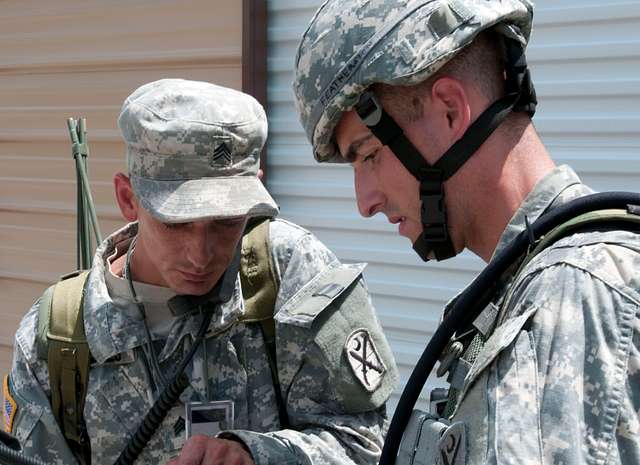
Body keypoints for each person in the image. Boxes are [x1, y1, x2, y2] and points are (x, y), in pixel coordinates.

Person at [292, 1, 640, 464]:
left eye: (368, 154)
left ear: (451, 111)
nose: (365, 202)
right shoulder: (527, 283)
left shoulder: (567, 296)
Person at [5, 79, 398, 465]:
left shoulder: (295, 277)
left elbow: (366, 445)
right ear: (128, 199)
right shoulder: (57, 336)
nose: (200, 255)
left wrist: (257, 456)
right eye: (176, 223)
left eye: (226, 222)